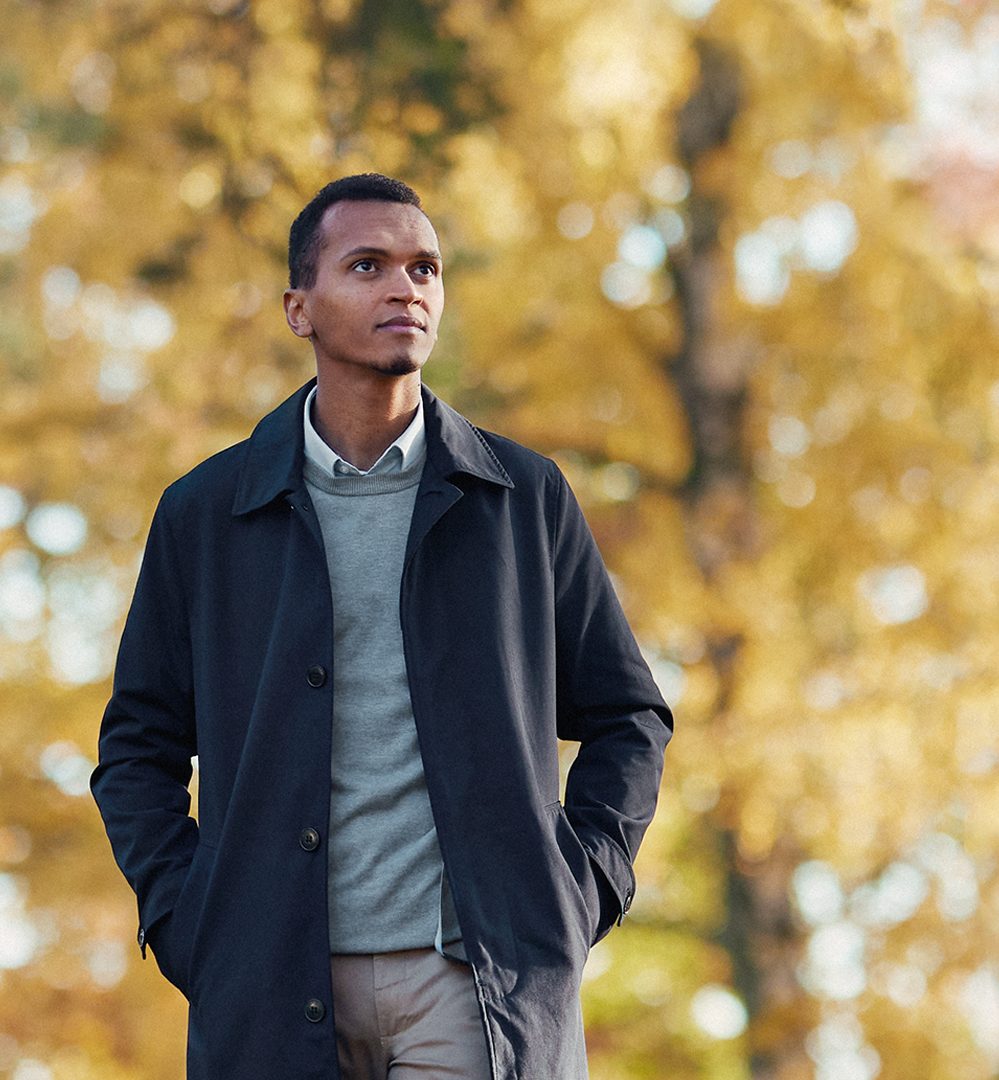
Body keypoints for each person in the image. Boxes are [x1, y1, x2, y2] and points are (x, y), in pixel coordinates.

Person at [92, 173, 672, 1080]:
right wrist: (188, 915)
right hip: (270, 985)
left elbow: (629, 717)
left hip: (475, 985)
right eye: (368, 265)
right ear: (300, 308)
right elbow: (137, 748)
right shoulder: (205, 514)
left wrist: (579, 888)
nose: (407, 288)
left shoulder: (521, 500)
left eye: (425, 268)